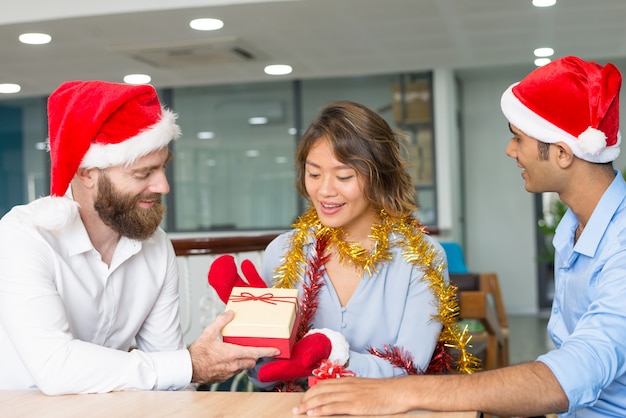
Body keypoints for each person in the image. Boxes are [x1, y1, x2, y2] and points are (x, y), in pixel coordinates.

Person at [294, 56, 626, 417]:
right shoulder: (574, 229)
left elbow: (569, 377)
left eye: (518, 138)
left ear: (562, 153)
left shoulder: (620, 243)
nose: (510, 150)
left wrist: (399, 392)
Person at [0, 80, 278, 395]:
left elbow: (166, 376)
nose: (163, 186)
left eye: (162, 169)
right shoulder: (24, 237)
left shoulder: (156, 246)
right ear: (86, 173)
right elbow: (55, 367)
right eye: (143, 173)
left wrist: (188, 370)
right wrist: (189, 364)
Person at [215, 100, 476, 391]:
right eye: (314, 174)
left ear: (380, 177)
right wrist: (253, 338)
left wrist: (331, 356)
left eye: (344, 176)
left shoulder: (422, 259)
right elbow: (263, 376)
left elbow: (409, 369)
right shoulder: (283, 252)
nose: (325, 190)